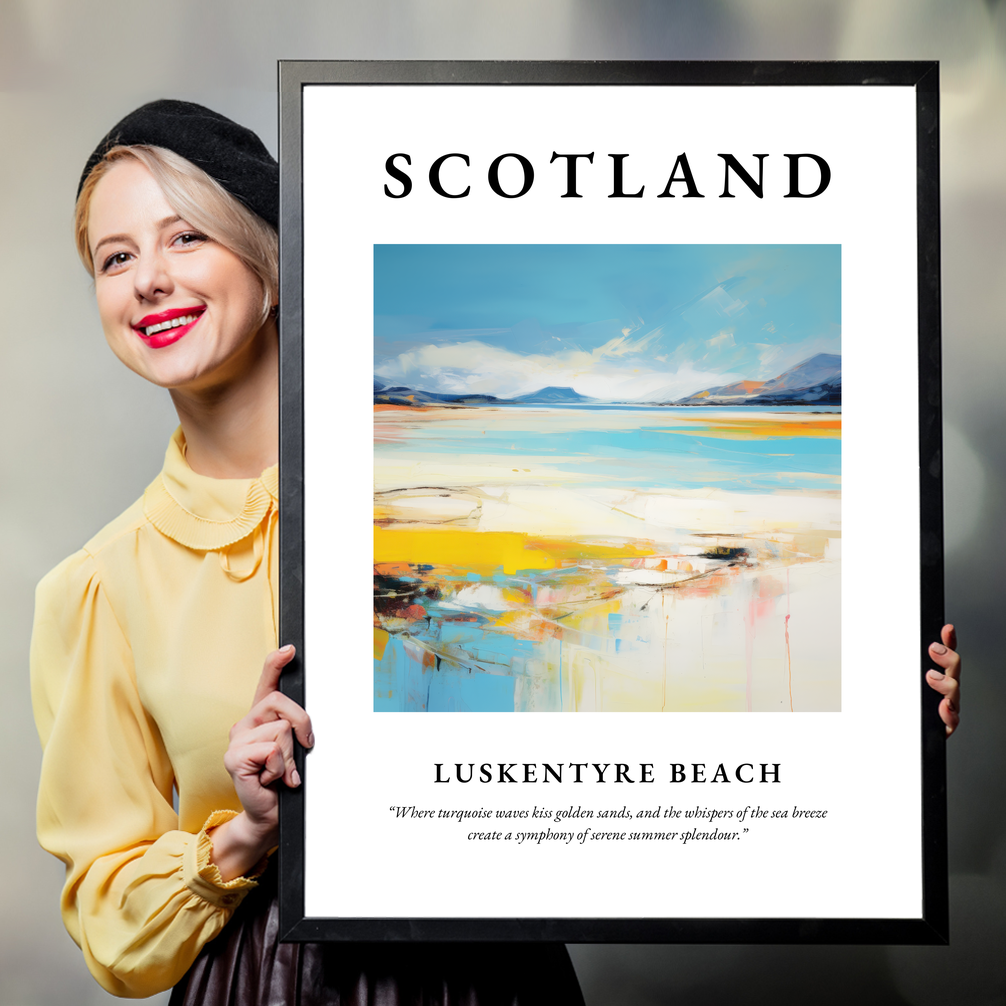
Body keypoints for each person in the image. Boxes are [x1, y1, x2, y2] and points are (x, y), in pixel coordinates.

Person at [30, 100, 585, 1004]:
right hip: (263, 981)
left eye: (186, 239)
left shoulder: (454, 498)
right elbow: (110, 924)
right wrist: (245, 832)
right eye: (116, 257)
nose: (148, 281)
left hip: (493, 972)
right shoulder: (97, 587)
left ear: (273, 264)